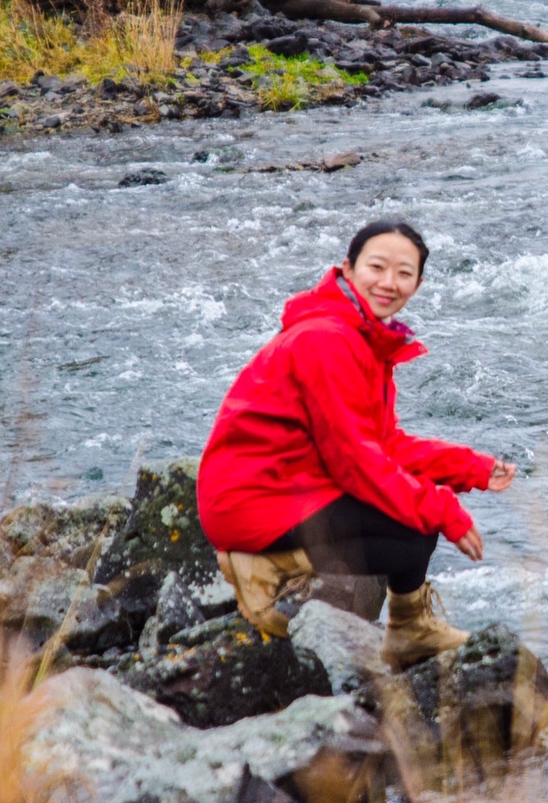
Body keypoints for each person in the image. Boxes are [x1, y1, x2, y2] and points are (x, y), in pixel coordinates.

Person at [196, 219, 516, 669]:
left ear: (419, 284)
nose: (389, 282)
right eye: (377, 266)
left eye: (404, 273)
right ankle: (261, 567)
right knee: (414, 528)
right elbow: (356, 462)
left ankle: (409, 630)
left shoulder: (361, 337)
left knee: (415, 518)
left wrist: (469, 468)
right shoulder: (328, 340)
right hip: (255, 501)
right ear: (348, 269)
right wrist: (446, 511)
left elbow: (382, 443)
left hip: (287, 485)